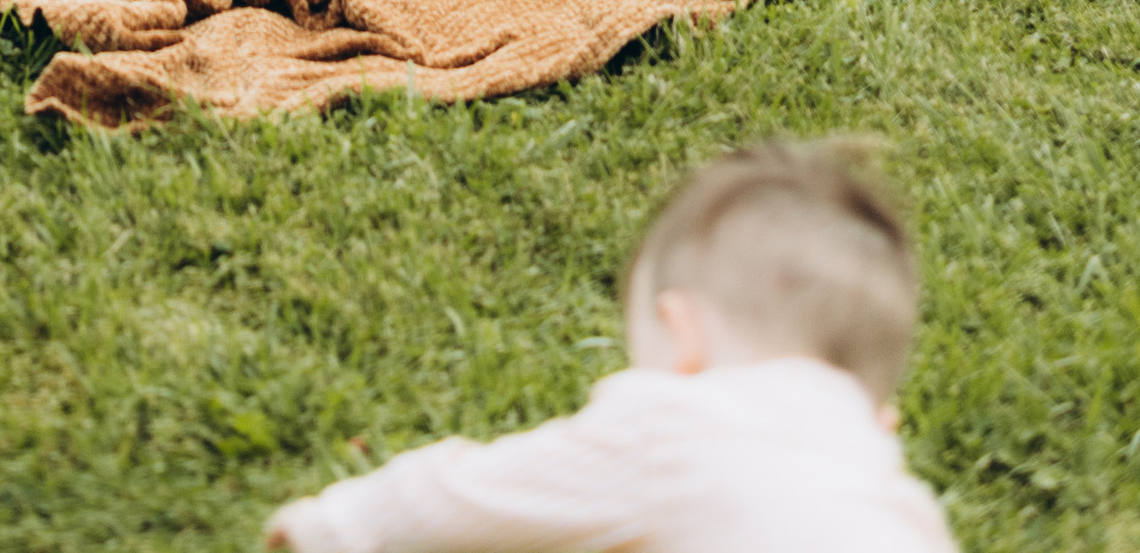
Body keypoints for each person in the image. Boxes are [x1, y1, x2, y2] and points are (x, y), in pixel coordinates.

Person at [264, 140, 957, 550]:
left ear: (685, 341)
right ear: (881, 419)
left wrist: (330, 526)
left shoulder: (670, 429)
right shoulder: (897, 503)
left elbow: (459, 496)